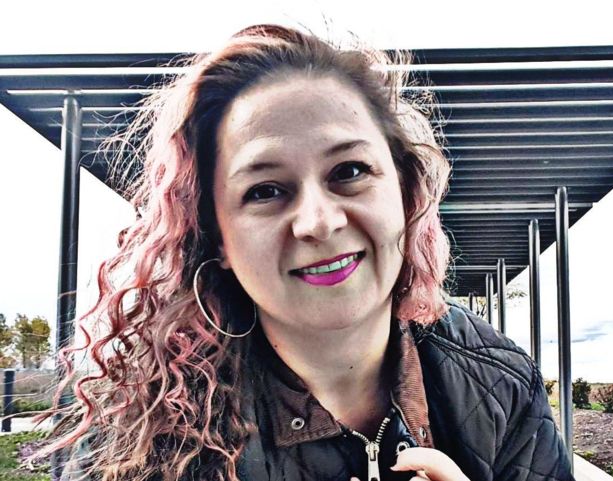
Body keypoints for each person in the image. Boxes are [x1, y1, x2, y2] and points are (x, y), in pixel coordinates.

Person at [37, 24, 574, 481]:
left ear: (407, 193)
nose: (319, 222)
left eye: (350, 171)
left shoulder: (499, 379)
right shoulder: (135, 426)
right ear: (216, 236)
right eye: (265, 190)